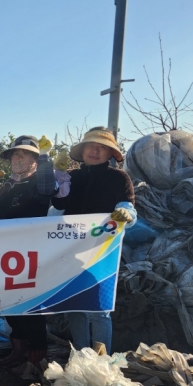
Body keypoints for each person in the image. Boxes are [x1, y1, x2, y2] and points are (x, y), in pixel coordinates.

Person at [51, 126, 136, 353]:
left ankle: (102, 362)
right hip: (72, 248)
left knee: (100, 309)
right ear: (83, 151)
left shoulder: (119, 178)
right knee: (75, 305)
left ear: (110, 154)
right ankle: (81, 355)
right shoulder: (73, 177)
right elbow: (59, 204)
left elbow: (128, 204)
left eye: (101, 148)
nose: (95, 151)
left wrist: (127, 213)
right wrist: (57, 179)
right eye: (91, 146)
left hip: (102, 250)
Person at [0, 135, 57, 377]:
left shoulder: (38, 184)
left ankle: (36, 361)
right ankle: (17, 351)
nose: (18, 159)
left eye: (24, 155)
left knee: (31, 310)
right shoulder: (8, 185)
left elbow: (47, 189)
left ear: (35, 160)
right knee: (11, 306)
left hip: (32, 257)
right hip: (7, 257)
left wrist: (46, 160)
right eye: (15, 155)